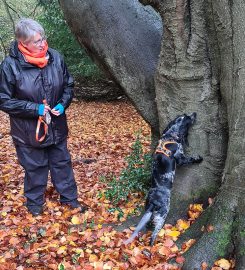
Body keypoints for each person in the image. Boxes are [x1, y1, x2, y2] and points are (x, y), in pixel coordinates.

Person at [0, 18, 87, 216]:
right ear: (23, 42)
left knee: (62, 164)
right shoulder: (10, 66)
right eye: (36, 41)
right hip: (28, 131)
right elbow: (3, 99)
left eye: (43, 38)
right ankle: (34, 205)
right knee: (35, 167)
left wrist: (62, 104)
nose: (42, 43)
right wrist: (35, 109)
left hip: (56, 126)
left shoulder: (55, 57)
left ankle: (70, 200)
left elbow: (68, 86)